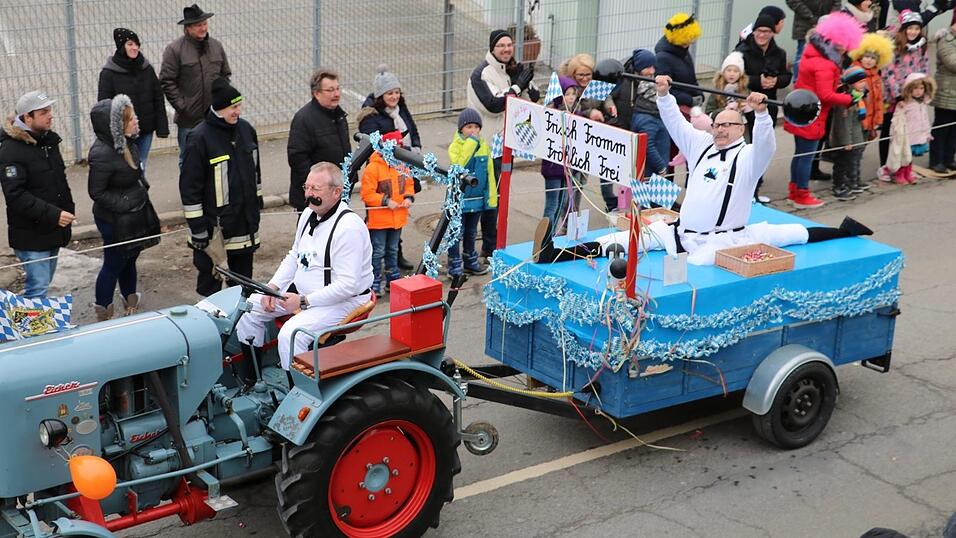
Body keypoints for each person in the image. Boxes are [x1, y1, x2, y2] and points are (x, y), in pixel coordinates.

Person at [531, 75, 874, 267]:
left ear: (742, 129)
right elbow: (674, 123)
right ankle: (554, 254)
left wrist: (763, 114)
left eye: (728, 125)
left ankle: (843, 232)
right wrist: (663, 95)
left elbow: (768, 143)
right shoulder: (702, 144)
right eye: (717, 124)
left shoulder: (750, 156)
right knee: (620, 239)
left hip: (719, 242)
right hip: (678, 232)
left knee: (788, 234)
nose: (720, 129)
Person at [234, 162, 373, 380]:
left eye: (315, 189)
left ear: (337, 192)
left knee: (291, 334)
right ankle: (252, 380)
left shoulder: (349, 228)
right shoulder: (309, 215)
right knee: (249, 308)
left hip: (343, 302)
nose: (308, 195)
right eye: (306, 188)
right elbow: (295, 256)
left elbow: (348, 286)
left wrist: (303, 301)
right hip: (304, 296)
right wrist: (272, 287)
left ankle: (298, 398)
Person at [179, 78, 262, 297]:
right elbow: (189, 188)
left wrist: (257, 205)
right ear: (219, 108)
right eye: (233, 107)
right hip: (213, 232)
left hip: (243, 228)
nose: (238, 111)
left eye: (239, 106)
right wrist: (198, 228)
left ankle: (242, 330)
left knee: (244, 289)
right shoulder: (198, 139)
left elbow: (256, 173)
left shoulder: (246, 131)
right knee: (211, 289)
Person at [467, 29, 541, 264]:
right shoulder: (481, 74)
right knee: (487, 200)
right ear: (492, 48)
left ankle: (493, 246)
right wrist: (518, 87)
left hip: (503, 145)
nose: (506, 49)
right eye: (501, 45)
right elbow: (494, 104)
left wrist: (530, 88)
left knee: (497, 197)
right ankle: (484, 250)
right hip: (484, 148)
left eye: (509, 45)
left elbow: (526, 102)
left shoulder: (508, 70)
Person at [784, 12, 864, 208]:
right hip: (812, 115)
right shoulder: (825, 64)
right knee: (806, 157)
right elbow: (826, 95)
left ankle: (794, 191)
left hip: (801, 111)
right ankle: (802, 195)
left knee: (800, 155)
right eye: (844, 43)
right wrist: (850, 98)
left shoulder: (812, 53)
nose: (846, 47)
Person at [0, 91, 75, 298]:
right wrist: (54, 214)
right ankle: (30, 330)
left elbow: (59, 182)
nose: (50, 115)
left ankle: (27, 322)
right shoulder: (10, 150)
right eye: (43, 112)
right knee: (38, 288)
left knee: (42, 284)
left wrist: (67, 210)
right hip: (31, 235)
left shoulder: (48, 142)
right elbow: (15, 195)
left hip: (52, 229)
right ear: (27, 117)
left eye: (50, 110)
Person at [87, 95, 152, 320]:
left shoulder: (127, 143)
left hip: (129, 216)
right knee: (114, 262)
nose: (136, 121)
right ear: (116, 125)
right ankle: (103, 309)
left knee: (131, 257)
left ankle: (130, 301)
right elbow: (96, 192)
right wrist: (125, 204)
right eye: (130, 118)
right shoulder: (102, 153)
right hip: (112, 219)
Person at [357, 65, 421, 270]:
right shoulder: (370, 116)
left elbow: (412, 128)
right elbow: (374, 144)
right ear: (380, 95)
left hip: (402, 168)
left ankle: (395, 256)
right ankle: (373, 262)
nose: (394, 96)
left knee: (398, 215)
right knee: (377, 221)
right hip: (380, 173)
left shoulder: (400, 108)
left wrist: (416, 150)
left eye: (396, 92)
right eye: (389, 93)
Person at [160, 3, 230, 169]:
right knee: (188, 160)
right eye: (199, 25)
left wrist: (220, 100)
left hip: (215, 116)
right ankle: (189, 194)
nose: (203, 27)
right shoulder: (174, 50)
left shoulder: (216, 46)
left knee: (216, 158)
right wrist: (183, 106)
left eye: (205, 23)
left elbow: (225, 74)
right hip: (188, 120)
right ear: (188, 28)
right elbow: (166, 80)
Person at [736, 11, 792, 202]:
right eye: (759, 31)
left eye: (766, 31)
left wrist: (776, 81)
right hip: (746, 106)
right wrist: (757, 81)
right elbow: (733, 76)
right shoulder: (742, 52)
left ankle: (756, 188)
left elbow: (787, 77)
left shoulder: (780, 53)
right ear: (753, 31)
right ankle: (745, 189)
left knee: (763, 146)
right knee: (746, 147)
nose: (762, 35)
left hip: (769, 105)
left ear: (772, 32)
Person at [97, 28, 169, 171]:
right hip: (124, 132)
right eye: (130, 44)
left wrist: (162, 127)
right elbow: (104, 106)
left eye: (137, 44)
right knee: (126, 168)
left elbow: (158, 97)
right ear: (121, 46)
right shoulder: (108, 73)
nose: (135, 48)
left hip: (145, 129)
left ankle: (141, 192)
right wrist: (113, 134)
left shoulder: (146, 68)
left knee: (141, 164)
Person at [360, 131, 415, 297]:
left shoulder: (402, 166)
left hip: (397, 218)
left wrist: (408, 198)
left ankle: (393, 280)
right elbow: (366, 194)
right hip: (378, 221)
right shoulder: (373, 168)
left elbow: (410, 185)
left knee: (392, 250)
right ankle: (374, 282)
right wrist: (385, 201)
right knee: (377, 252)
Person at [288, 69, 351, 213]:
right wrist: (319, 188)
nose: (337, 94)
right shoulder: (304, 119)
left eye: (337, 88)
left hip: (337, 193)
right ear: (316, 93)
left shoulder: (339, 116)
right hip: (315, 199)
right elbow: (297, 158)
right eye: (330, 90)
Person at [447, 108, 496, 278]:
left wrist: (490, 197)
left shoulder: (484, 146)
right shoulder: (455, 146)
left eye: (476, 127)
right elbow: (460, 163)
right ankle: (454, 265)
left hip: (477, 198)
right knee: (456, 233)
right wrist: (471, 143)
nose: (473, 131)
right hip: (460, 199)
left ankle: (470, 260)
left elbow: (489, 174)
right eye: (469, 127)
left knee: (471, 232)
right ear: (461, 129)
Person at [879, 11, 929, 168]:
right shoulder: (895, 45)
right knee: (890, 129)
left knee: (908, 130)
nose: (913, 32)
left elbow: (924, 68)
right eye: (910, 28)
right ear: (904, 29)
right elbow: (888, 72)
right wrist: (898, 95)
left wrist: (922, 89)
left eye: (916, 28)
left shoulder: (921, 46)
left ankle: (903, 165)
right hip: (894, 96)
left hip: (913, 95)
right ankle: (885, 165)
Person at [622, 49, 670, 178]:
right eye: (648, 67)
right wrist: (661, 167)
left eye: (654, 67)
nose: (652, 71)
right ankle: (611, 198)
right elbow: (647, 145)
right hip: (650, 169)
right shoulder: (624, 83)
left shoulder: (645, 86)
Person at [879, 73, 936, 184]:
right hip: (905, 134)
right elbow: (896, 119)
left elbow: (924, 119)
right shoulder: (904, 104)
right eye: (915, 88)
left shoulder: (922, 103)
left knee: (909, 157)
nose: (919, 91)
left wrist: (927, 133)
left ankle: (907, 172)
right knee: (902, 155)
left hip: (917, 133)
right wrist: (895, 133)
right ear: (909, 89)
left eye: (921, 88)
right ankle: (898, 174)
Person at [829, 67, 869, 200]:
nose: (863, 84)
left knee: (855, 160)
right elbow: (843, 124)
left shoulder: (859, 96)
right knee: (842, 163)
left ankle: (854, 181)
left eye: (864, 81)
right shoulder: (846, 100)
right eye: (860, 82)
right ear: (851, 83)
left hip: (857, 136)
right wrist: (846, 141)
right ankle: (839, 185)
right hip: (846, 139)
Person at [848, 32, 893, 148]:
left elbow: (878, 101)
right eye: (866, 56)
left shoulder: (876, 77)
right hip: (856, 120)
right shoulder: (854, 73)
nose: (869, 60)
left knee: (861, 148)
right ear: (860, 57)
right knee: (854, 151)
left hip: (870, 122)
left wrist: (877, 120)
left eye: (873, 58)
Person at [655, 12, 704, 111]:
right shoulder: (662, 58)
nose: (690, 42)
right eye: (687, 40)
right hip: (675, 107)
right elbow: (664, 88)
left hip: (689, 104)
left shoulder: (683, 52)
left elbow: (691, 80)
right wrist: (689, 100)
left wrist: (699, 94)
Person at [786, 0, 837, 83]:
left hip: (828, 26)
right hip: (805, 25)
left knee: (828, 56)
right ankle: (798, 84)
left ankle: (824, 84)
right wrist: (810, 17)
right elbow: (793, 1)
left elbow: (837, 3)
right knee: (802, 55)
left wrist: (830, 18)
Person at [930, 13, 956, 174]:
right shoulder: (946, 39)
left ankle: (949, 158)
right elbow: (953, 63)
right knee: (942, 127)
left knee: (954, 129)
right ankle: (936, 160)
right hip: (947, 91)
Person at [705, 52, 750, 117]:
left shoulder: (746, 91)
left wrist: (747, 109)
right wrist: (724, 110)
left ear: (740, 74)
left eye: (736, 71)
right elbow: (708, 113)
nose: (732, 74)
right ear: (723, 72)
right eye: (729, 70)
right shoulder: (716, 91)